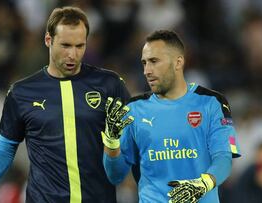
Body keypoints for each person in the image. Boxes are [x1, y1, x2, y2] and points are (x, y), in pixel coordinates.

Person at [0, 6, 130, 203]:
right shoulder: (21, 93)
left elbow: (129, 149)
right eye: (66, 45)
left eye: (80, 46)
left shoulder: (109, 85)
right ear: (48, 40)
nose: (73, 55)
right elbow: (5, 148)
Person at [101, 30, 241, 203]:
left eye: (154, 61)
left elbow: (224, 158)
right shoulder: (133, 110)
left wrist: (204, 183)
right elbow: (115, 176)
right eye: (144, 63)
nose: (146, 70)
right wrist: (112, 143)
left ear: (178, 62)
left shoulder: (211, 103)